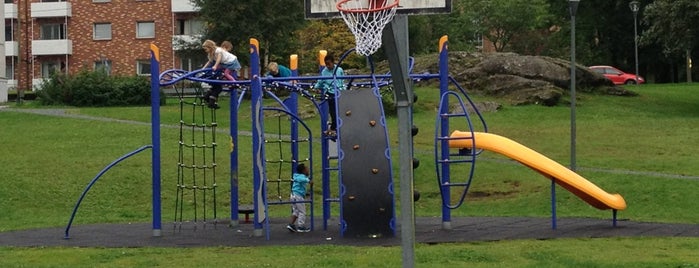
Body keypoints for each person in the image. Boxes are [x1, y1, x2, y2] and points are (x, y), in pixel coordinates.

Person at [200, 39, 241, 109]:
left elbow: (219, 58)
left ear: (210, 47)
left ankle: (235, 83)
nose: (205, 50)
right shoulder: (211, 54)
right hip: (226, 63)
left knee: (226, 74)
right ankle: (232, 83)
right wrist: (203, 68)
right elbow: (209, 61)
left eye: (206, 49)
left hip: (232, 62)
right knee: (224, 75)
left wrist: (215, 66)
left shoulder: (218, 50)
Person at [313, 54, 345, 137]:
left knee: (341, 112)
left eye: (329, 63)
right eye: (326, 64)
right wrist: (316, 87)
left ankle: (336, 128)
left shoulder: (339, 70)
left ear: (333, 62)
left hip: (339, 92)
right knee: (333, 112)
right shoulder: (324, 71)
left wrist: (344, 89)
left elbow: (342, 80)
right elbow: (320, 81)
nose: (327, 66)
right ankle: (333, 129)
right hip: (330, 93)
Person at [287, 163, 312, 233]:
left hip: (294, 195)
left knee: (296, 211)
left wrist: (305, 193)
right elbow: (302, 179)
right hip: (298, 196)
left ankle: (291, 224)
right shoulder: (301, 176)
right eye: (307, 169)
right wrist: (309, 181)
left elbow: (300, 184)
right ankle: (301, 226)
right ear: (303, 171)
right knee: (302, 211)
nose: (308, 171)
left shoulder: (297, 176)